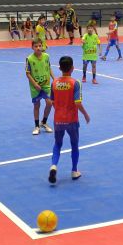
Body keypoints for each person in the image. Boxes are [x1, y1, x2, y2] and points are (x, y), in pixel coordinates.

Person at [48, 56, 90, 184]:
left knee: (58, 144)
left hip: (58, 119)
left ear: (59, 68)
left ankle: (54, 166)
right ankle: (74, 171)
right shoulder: (75, 83)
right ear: (72, 68)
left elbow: (52, 101)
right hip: (72, 120)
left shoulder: (54, 82)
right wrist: (85, 114)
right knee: (74, 145)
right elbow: (77, 103)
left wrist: (58, 110)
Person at [25, 38, 55, 135]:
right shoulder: (29, 59)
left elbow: (49, 67)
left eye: (40, 46)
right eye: (36, 46)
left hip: (46, 85)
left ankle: (44, 122)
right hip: (35, 87)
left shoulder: (46, 56)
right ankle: (37, 126)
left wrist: (54, 78)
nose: (38, 48)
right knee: (37, 105)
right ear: (32, 47)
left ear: (42, 46)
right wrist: (35, 84)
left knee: (50, 103)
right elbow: (28, 73)